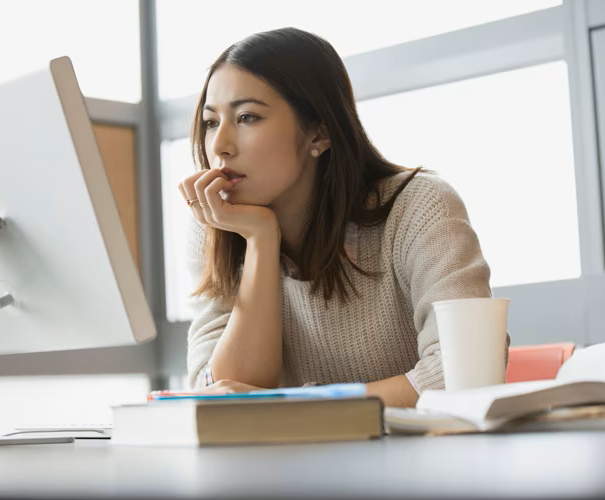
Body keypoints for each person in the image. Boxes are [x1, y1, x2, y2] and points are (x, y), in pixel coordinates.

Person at [178, 27, 508, 407]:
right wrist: (260, 241)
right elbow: (223, 394)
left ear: (319, 133)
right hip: (287, 465)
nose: (219, 145)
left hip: (420, 459)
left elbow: (463, 374)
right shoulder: (218, 225)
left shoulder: (419, 206)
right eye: (210, 122)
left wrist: (297, 408)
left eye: (248, 117)